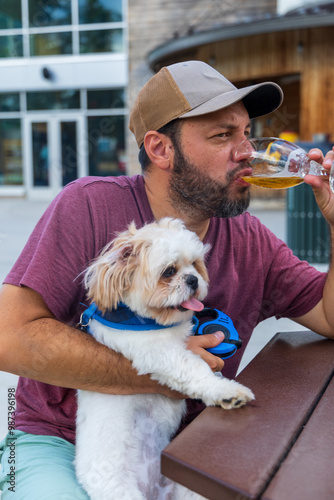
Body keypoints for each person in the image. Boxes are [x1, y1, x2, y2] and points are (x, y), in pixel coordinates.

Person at [0, 60, 333, 499]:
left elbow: (329, 317)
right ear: (160, 149)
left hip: (184, 445)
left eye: (246, 132)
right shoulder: (88, 206)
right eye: (222, 135)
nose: (247, 151)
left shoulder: (252, 240)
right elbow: (9, 337)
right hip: (56, 440)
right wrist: (167, 367)